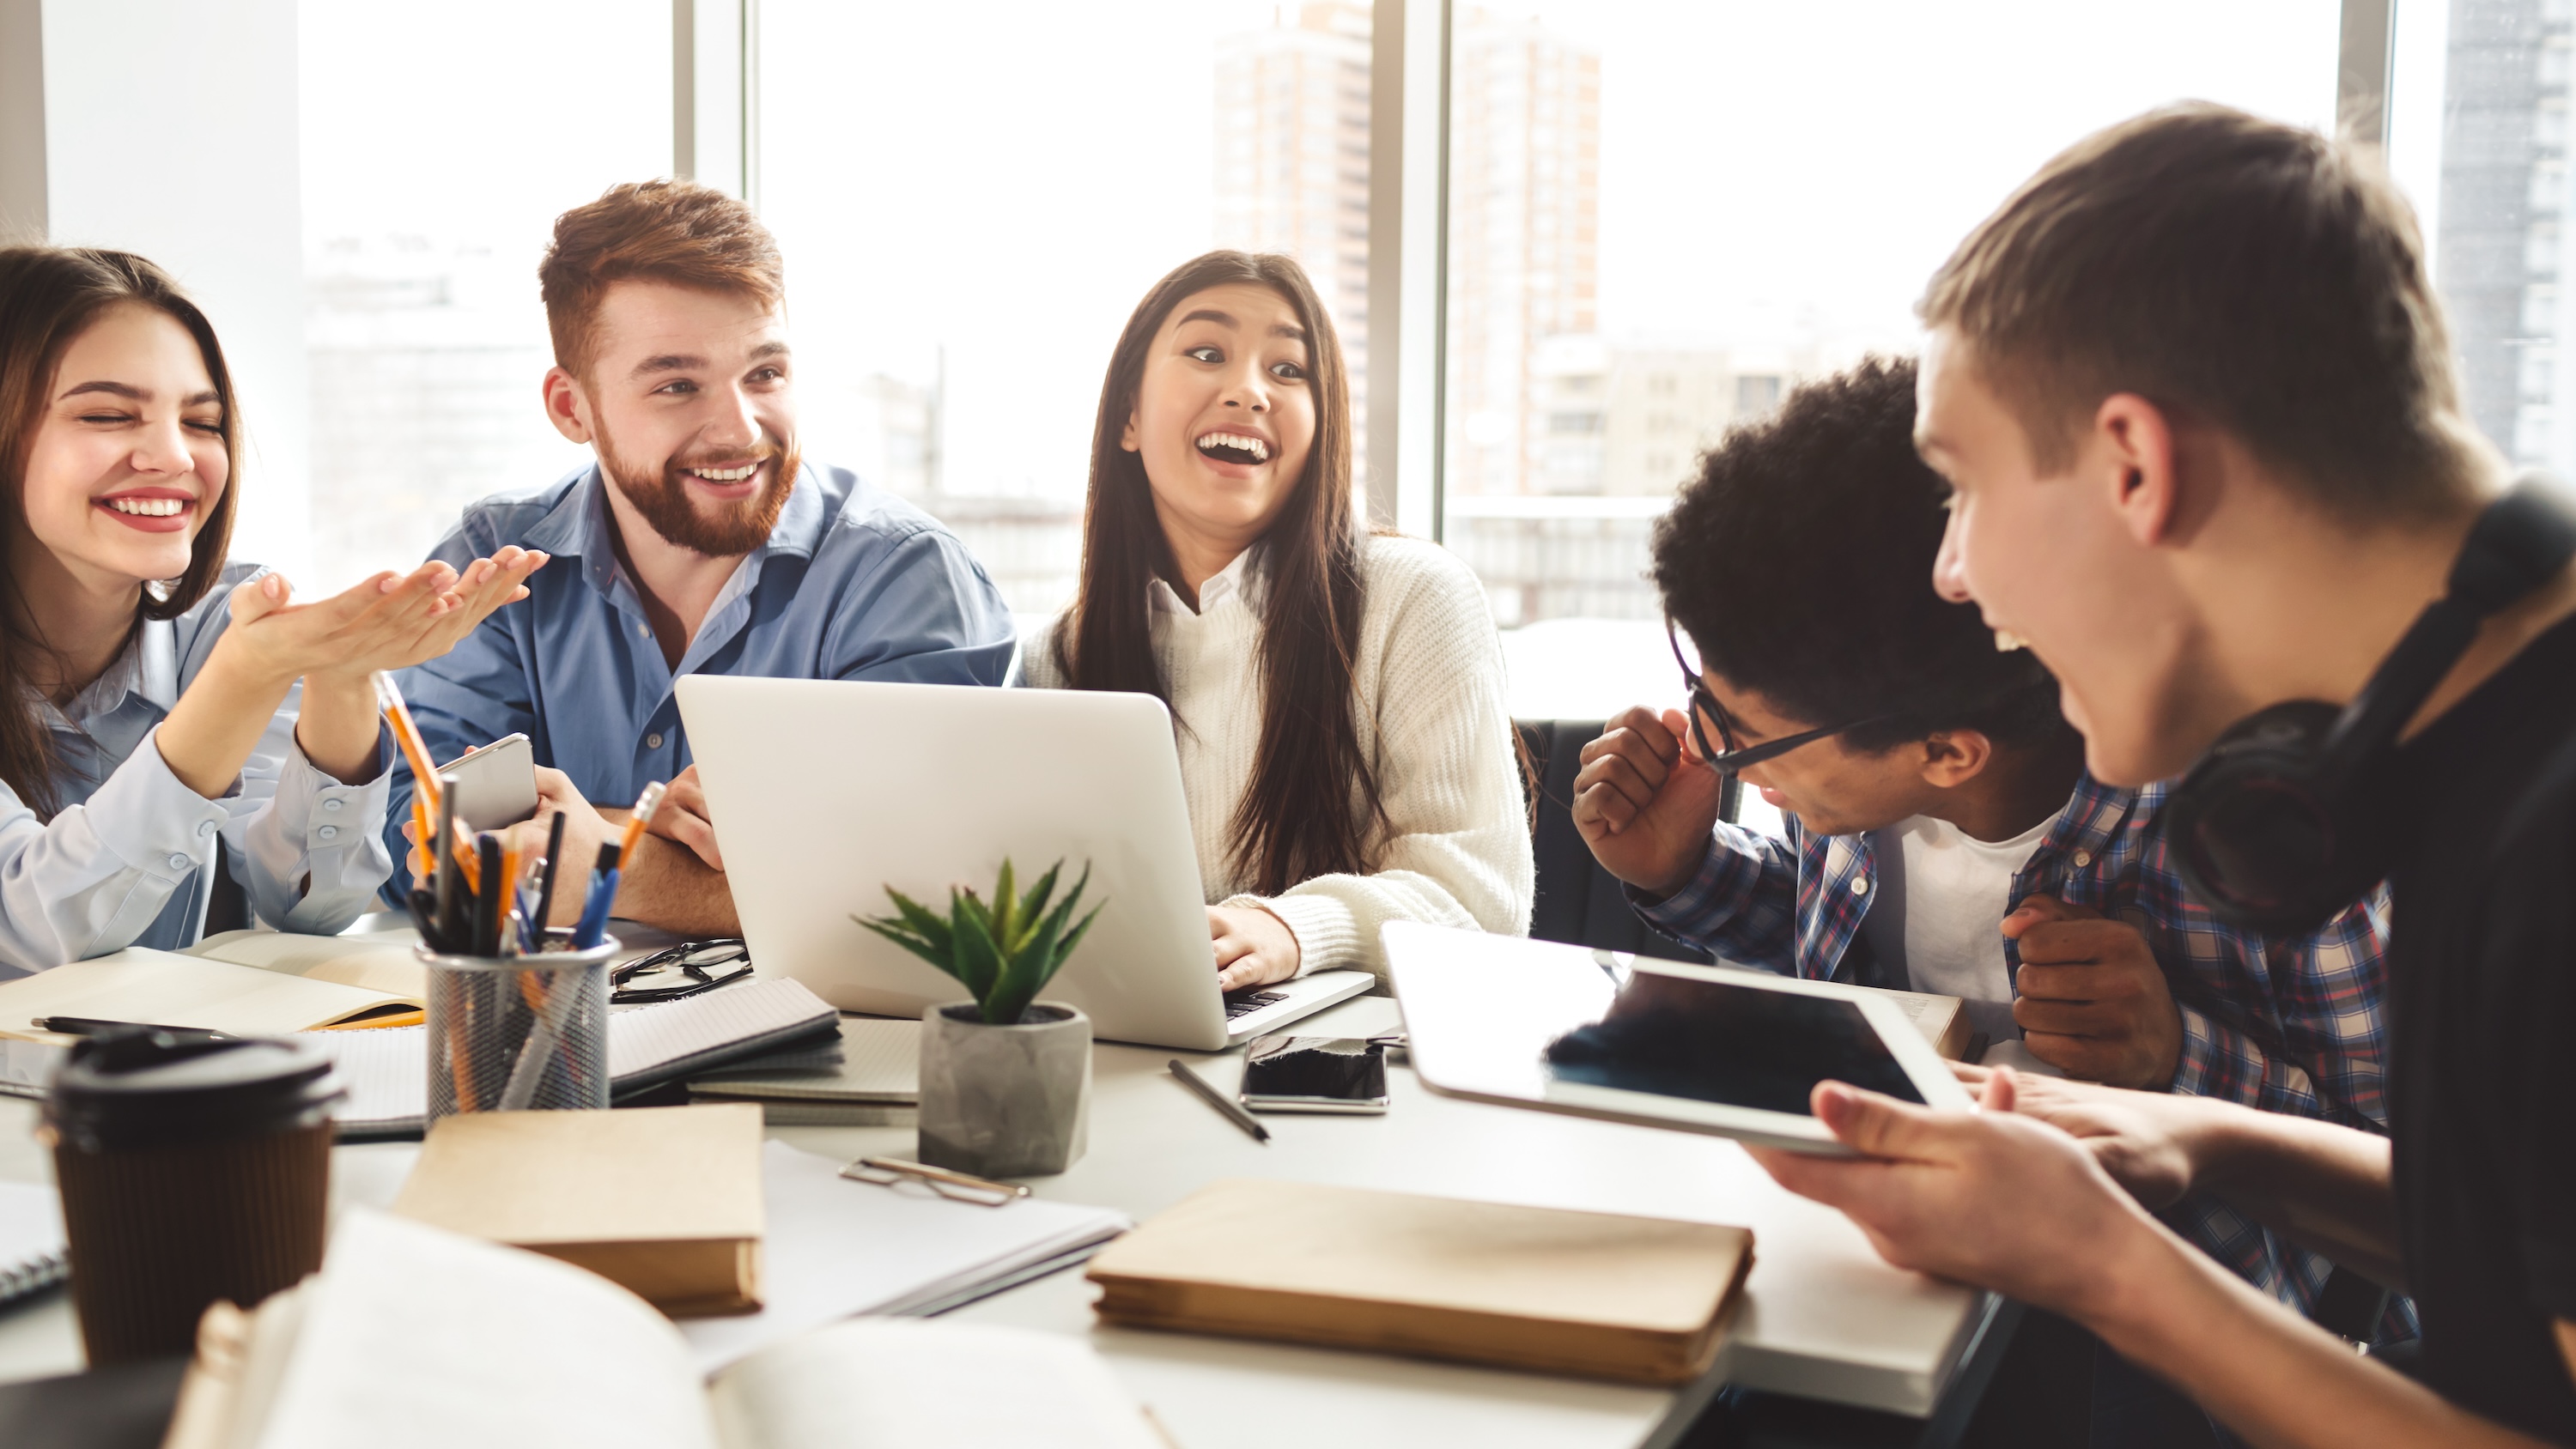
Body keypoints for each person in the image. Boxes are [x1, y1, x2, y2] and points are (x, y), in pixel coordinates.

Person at [1749, 105, 2576, 1446]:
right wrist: (2200, 1141)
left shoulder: (2548, 842)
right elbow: (2517, 1242)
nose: (1954, 572)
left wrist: (2108, 1267)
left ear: (2134, 465)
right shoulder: (2486, 721)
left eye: (1959, 485)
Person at [1571, 357, 2396, 1356]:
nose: (1700, 744)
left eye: (1741, 734)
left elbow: (2406, 1186)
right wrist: (1685, 868)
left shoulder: (2277, 832)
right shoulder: (1870, 761)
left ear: (1950, 752)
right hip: (1885, 1279)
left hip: (2181, 1352)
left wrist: (2177, 1059)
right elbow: (1843, 957)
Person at [383, 181, 1014, 936]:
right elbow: (412, 840)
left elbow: (933, 890)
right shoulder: (498, 561)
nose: (740, 428)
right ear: (570, 408)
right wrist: (646, 833)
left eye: (765, 374)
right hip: (547, 1028)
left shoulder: (906, 580)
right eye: (677, 385)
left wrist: (615, 863)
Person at [0, 246, 541, 974]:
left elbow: (311, 908)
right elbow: (29, 936)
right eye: (106, 414)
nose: (173, 456)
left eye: (202, 421)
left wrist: (344, 676)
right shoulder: (242, 653)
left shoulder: (229, 621)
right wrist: (241, 680)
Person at [1023, 251, 1530, 987]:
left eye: (1289, 370)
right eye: (1206, 353)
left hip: (1356, 1072)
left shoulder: (1417, 599)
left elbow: (1481, 900)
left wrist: (1293, 929)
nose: (1249, 391)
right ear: (1128, 416)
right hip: (1131, 1058)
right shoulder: (1059, 657)